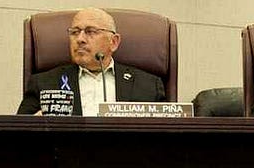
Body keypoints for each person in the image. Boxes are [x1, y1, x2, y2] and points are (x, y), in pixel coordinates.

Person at [17, 7, 166, 115]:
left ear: (113, 42)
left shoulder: (149, 86)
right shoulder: (44, 83)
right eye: (74, 32)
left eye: (90, 32)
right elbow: (17, 135)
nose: (80, 39)